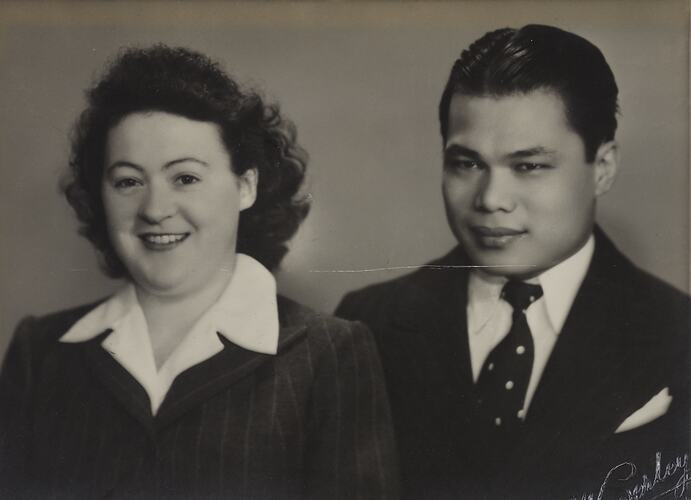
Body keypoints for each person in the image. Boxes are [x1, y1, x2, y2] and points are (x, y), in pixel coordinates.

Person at [0, 45, 398, 499]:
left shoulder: (328, 355)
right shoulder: (41, 355)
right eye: (129, 181)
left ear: (245, 186)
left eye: (185, 178)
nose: (155, 209)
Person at [336, 25, 689, 500]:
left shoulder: (676, 332)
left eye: (529, 166)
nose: (491, 199)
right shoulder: (366, 324)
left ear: (602, 168)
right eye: (467, 163)